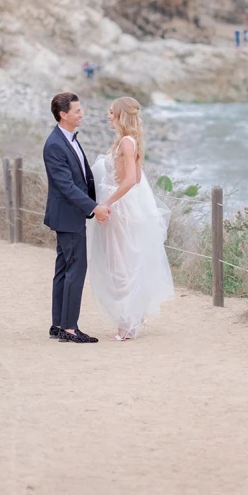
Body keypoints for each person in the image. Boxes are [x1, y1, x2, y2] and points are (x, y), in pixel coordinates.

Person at [87, 96, 175, 341]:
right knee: (120, 261)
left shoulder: (126, 142)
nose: (107, 115)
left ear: (120, 114)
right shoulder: (124, 141)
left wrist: (106, 202)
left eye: (111, 111)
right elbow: (134, 180)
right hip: (119, 205)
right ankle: (131, 317)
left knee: (120, 264)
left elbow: (130, 180)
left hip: (119, 209)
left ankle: (128, 322)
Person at [42, 92, 111, 345]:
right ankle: (70, 329)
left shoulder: (67, 139)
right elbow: (67, 186)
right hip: (67, 216)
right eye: (77, 111)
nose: (81, 114)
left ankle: (58, 325)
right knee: (76, 269)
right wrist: (95, 207)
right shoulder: (55, 144)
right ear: (63, 114)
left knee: (64, 270)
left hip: (69, 215)